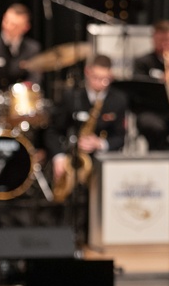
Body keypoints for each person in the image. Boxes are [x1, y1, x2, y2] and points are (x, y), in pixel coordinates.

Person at [45, 55, 127, 207]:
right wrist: (58, 157)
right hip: (72, 156)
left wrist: (100, 143)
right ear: (87, 72)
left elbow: (120, 137)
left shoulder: (118, 100)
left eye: (105, 79)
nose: (100, 83)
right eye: (96, 77)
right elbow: (53, 131)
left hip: (101, 161)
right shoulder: (71, 96)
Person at [0, 3, 43, 128]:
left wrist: (21, 89)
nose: (7, 26)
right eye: (6, 21)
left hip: (19, 104)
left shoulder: (32, 49)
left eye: (14, 25)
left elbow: (35, 77)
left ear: (25, 27)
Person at [131, 20, 169, 151]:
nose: (164, 44)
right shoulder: (143, 62)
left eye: (167, 40)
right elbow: (138, 91)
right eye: (161, 39)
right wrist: (163, 80)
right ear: (153, 39)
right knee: (153, 126)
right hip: (152, 111)